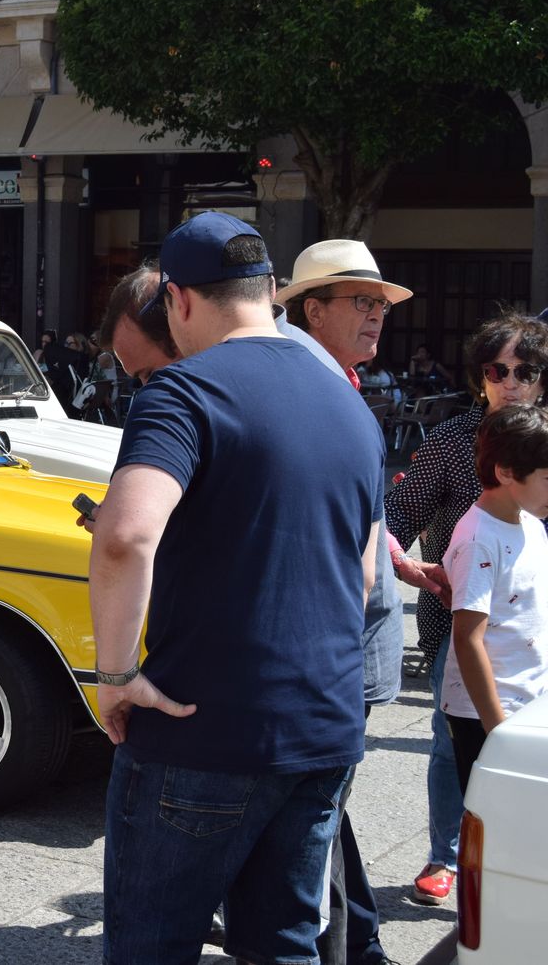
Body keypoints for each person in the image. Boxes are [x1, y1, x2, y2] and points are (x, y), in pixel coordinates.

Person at [90, 212, 383, 965]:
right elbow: (364, 571)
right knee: (283, 942)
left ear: (179, 300)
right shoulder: (349, 404)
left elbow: (125, 536)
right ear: (273, 294)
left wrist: (116, 677)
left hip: (202, 731)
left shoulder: (185, 393)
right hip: (322, 729)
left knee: (151, 945)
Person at [277, 237, 415, 965]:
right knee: (316, 817)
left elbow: (355, 513)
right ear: (312, 310)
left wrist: (396, 558)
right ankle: (348, 947)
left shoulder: (340, 382)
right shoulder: (313, 383)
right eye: (360, 302)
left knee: (325, 811)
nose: (376, 315)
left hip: (348, 646)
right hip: (336, 652)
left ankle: (357, 940)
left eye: (379, 304)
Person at [385, 310, 548, 906]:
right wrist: (405, 565)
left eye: (525, 370)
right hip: (458, 622)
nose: (510, 380)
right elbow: (395, 517)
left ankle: (515, 861)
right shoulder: (454, 441)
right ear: (480, 376)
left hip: (534, 633)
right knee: (449, 740)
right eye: (496, 369)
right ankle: (445, 857)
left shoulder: (546, 444)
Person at [441, 403, 548, 801]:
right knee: (496, 824)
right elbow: (468, 638)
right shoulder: (478, 539)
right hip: (486, 714)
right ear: (505, 472)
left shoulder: (531, 524)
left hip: (530, 704)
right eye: (547, 479)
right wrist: (497, 728)